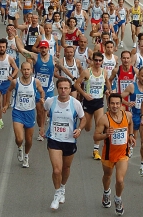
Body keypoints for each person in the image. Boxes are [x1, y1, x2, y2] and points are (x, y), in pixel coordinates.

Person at [44, 78, 86, 210]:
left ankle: (62, 187)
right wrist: (41, 127)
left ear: (70, 89)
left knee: (65, 168)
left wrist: (79, 129)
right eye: (61, 88)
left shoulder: (76, 103)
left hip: (69, 140)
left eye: (66, 88)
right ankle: (57, 194)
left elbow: (83, 119)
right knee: (56, 170)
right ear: (57, 89)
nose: (63, 90)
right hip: (54, 139)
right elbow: (43, 111)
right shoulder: (50, 101)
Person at [93, 93, 136, 215]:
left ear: (121, 104)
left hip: (123, 153)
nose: (115, 106)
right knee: (107, 176)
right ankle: (106, 193)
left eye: (117, 103)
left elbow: (130, 123)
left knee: (120, 180)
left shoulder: (127, 115)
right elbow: (95, 136)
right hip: (108, 154)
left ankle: (118, 199)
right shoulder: (104, 119)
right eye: (112, 103)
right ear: (108, 104)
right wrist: (106, 135)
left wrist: (131, 135)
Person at [2, 62, 44, 168]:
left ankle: (26, 156)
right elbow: (9, 91)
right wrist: (7, 104)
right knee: (20, 138)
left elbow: (41, 91)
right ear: (21, 70)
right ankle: (20, 147)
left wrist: (42, 98)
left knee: (29, 140)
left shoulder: (36, 82)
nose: (26, 71)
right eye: (24, 69)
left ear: (31, 70)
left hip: (30, 112)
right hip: (18, 112)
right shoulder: (15, 82)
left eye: (28, 69)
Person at [74, 52, 111, 160]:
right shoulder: (86, 72)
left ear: (102, 61)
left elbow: (107, 82)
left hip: (99, 102)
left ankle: (96, 150)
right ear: (92, 61)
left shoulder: (104, 72)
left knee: (99, 126)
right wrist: (84, 94)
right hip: (88, 103)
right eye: (96, 60)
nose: (98, 62)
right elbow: (76, 84)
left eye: (100, 60)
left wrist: (109, 90)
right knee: (88, 128)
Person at [121, 66, 143, 176]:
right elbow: (119, 97)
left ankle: (142, 166)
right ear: (138, 76)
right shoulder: (132, 87)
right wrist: (127, 103)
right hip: (134, 115)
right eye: (142, 76)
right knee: (133, 137)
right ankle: (130, 147)